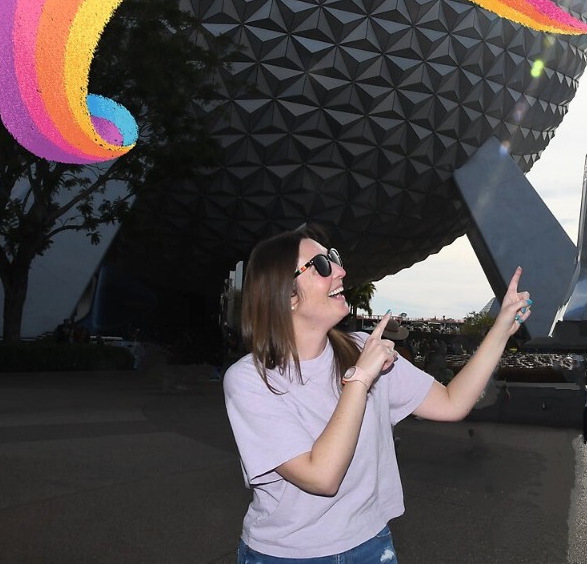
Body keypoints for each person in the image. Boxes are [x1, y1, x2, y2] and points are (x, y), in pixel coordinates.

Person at [223, 227, 532, 562]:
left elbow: (451, 402)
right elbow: (321, 477)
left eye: (335, 258)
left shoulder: (361, 349)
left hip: (370, 545)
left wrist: (501, 329)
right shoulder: (250, 380)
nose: (340, 270)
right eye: (322, 265)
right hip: (287, 554)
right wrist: (360, 380)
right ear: (286, 296)